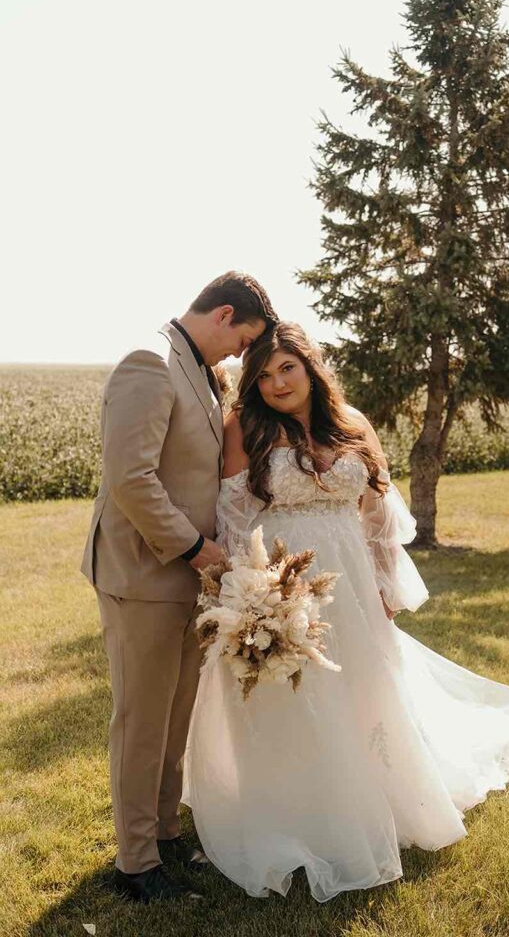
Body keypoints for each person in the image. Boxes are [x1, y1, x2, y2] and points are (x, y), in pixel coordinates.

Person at [182, 322, 509, 903]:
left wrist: (384, 587)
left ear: (310, 367)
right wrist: (252, 591)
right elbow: (233, 515)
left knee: (366, 687)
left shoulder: (352, 424)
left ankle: (377, 794)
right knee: (290, 692)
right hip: (285, 580)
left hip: (350, 577)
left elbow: (378, 516)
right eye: (265, 375)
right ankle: (297, 807)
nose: (276, 384)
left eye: (287, 369)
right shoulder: (244, 428)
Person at [81, 271, 276, 902]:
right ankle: (135, 863)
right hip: (144, 573)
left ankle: (164, 832)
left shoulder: (198, 368)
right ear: (222, 315)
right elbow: (132, 480)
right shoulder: (149, 363)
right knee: (142, 719)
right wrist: (197, 550)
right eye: (243, 341)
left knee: (175, 713)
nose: (240, 357)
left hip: (191, 578)